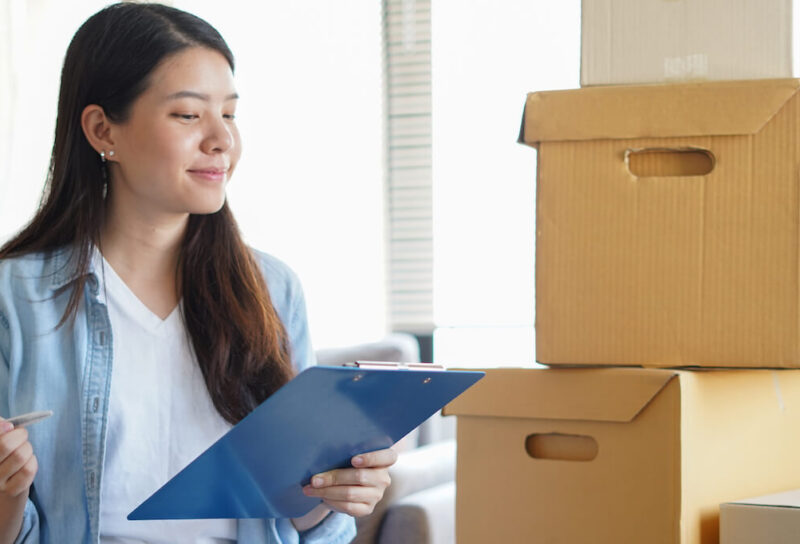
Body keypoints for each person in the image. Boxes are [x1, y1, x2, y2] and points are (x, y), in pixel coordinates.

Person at [0, 3, 396, 543]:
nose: (222, 141)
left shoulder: (273, 290)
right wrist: (7, 493)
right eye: (189, 115)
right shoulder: (15, 299)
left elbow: (301, 523)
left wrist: (330, 499)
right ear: (101, 129)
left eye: (229, 114)